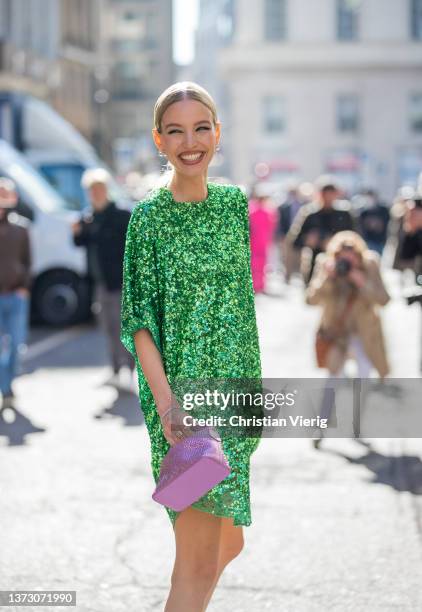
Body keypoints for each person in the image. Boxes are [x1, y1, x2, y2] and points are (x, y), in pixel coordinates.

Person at [120, 81, 262, 611]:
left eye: (201, 128)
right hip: (182, 402)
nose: (190, 141)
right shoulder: (148, 218)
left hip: (236, 395)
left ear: (217, 133)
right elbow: (139, 323)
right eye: (176, 131)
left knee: (229, 543)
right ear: (159, 140)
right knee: (198, 560)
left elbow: (238, 308)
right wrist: (166, 404)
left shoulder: (231, 206)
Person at [305, 231, 390, 448]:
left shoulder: (369, 264)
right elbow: (311, 299)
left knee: (364, 375)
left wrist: (360, 280)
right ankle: (321, 426)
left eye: (350, 258)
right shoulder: (325, 263)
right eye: (342, 257)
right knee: (333, 379)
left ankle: (356, 424)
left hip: (363, 334)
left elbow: (384, 299)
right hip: (337, 333)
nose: (345, 262)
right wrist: (328, 277)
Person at [72, 168, 135, 386]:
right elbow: (80, 244)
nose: (96, 194)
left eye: (99, 189)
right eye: (92, 190)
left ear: (107, 189)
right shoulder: (89, 217)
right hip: (99, 283)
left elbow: (132, 249)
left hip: (119, 282)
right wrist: (77, 232)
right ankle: (116, 370)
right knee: (106, 327)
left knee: (122, 327)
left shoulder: (120, 215)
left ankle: (128, 370)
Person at [0, 177, 31, 409]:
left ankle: (9, 383)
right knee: (2, 347)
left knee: (17, 345)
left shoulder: (21, 228)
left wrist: (24, 287)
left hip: (16, 296)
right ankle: (6, 389)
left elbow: (28, 262)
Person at [286, 179, 355, 285]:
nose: (328, 198)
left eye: (331, 194)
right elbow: (295, 241)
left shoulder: (344, 214)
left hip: (341, 266)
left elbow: (355, 238)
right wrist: (307, 240)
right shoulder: (310, 213)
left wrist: (336, 243)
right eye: (325, 194)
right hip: (315, 267)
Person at [248, 183, 277, 293]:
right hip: (260, 241)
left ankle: (257, 285)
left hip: (257, 241)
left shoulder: (253, 210)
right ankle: (259, 285)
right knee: (260, 264)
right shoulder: (266, 211)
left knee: (257, 264)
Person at [276, 184, 304, 283]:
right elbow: (280, 222)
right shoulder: (284, 207)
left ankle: (300, 276)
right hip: (287, 235)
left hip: (300, 236)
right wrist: (281, 235)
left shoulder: (303, 205)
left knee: (300, 257)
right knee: (287, 257)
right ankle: (287, 277)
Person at [357, 189, 390, 256]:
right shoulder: (364, 212)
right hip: (368, 241)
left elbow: (387, 224)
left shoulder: (383, 210)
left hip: (380, 241)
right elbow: (361, 227)